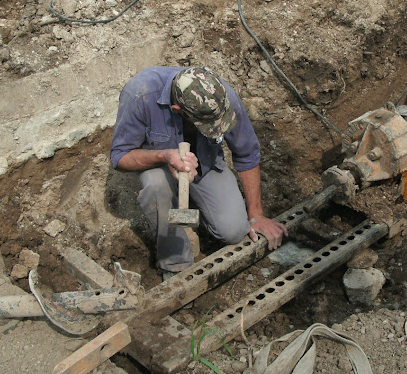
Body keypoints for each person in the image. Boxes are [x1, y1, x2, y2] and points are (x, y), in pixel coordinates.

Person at [110, 66, 287, 277]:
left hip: (206, 163)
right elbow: (120, 157)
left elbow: (247, 152)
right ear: (177, 110)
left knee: (234, 230)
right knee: (156, 186)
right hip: (159, 167)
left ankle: (191, 211)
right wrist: (165, 156)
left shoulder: (221, 96)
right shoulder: (140, 94)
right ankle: (175, 264)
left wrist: (256, 214)